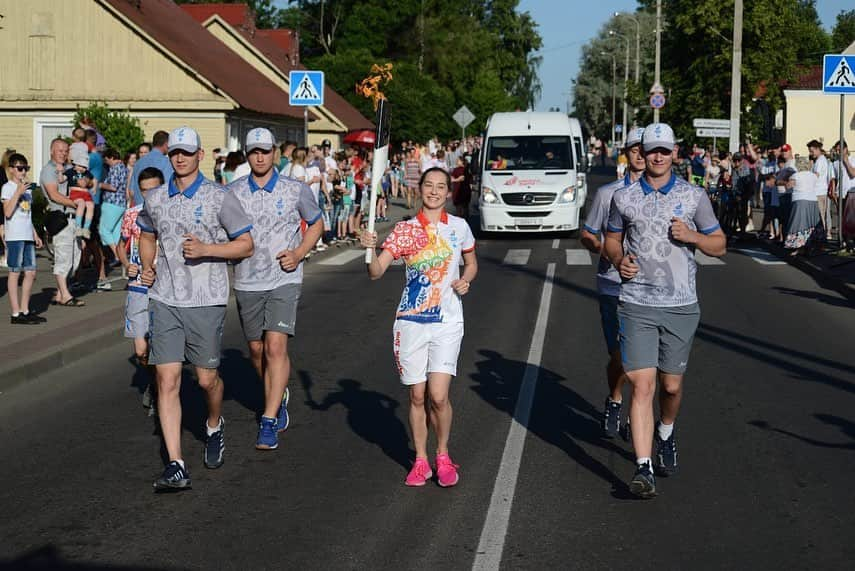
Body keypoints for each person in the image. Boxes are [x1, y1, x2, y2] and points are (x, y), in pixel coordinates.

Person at [604, 123, 726, 498]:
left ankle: (666, 432)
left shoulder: (694, 197)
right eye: (651, 149)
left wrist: (693, 237)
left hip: (680, 305)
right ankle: (643, 468)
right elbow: (610, 239)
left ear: (675, 153)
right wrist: (619, 258)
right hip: (636, 302)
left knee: (670, 386)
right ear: (642, 152)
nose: (657, 156)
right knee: (643, 384)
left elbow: (720, 244)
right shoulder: (623, 198)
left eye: (664, 150)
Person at [137, 126, 254, 492]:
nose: (181, 158)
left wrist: (207, 250)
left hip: (206, 298)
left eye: (187, 152)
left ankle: (214, 424)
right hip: (165, 299)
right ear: (169, 156)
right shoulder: (155, 198)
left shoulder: (220, 198)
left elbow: (246, 245)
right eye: (175, 153)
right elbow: (146, 232)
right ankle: (176, 464)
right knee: (166, 380)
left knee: (205, 380)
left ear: (200, 155)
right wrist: (147, 264)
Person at [360, 167, 478, 487]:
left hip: (448, 320)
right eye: (429, 185)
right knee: (417, 395)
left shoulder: (459, 227)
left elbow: (471, 263)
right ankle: (421, 460)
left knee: (438, 396)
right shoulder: (405, 230)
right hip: (411, 321)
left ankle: (442, 454)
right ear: (420, 189)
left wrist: (465, 281)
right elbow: (375, 272)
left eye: (441, 187)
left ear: (448, 192)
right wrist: (369, 248)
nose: (435, 192)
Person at [229, 128, 324, 450]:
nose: (259, 156)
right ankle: (277, 391)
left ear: (274, 154)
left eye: (265, 151)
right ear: (247, 154)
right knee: (256, 350)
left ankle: (268, 419)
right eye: (254, 151)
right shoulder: (233, 192)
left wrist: (298, 254)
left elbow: (316, 223)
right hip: (247, 279)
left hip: (284, 278)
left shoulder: (294, 189)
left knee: (275, 348)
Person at [580, 127, 645, 439]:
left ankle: (638, 413)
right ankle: (615, 398)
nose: (642, 155)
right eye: (635, 149)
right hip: (612, 283)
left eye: (647, 149)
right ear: (628, 153)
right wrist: (599, 247)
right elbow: (588, 233)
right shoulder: (609, 194)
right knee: (620, 355)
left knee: (644, 360)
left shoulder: (664, 196)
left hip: (650, 289)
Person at [121, 167, 164, 415]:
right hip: (137, 288)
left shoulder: (169, 214)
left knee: (161, 346)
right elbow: (121, 245)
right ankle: (154, 381)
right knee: (141, 350)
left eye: (154, 190)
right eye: (145, 191)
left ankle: (162, 389)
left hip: (162, 290)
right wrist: (127, 264)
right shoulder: (131, 215)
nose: (149, 196)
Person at [41, 138, 85, 307]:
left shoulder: (70, 169)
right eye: (60, 150)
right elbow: (53, 194)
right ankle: (66, 295)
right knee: (63, 259)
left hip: (76, 219)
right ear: (52, 150)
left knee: (75, 260)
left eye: (66, 151)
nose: (63, 153)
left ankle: (59, 293)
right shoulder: (48, 170)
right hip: (61, 219)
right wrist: (75, 203)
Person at [2, 153, 45, 324]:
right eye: (20, 168)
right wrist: (18, 192)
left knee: (31, 272)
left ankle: (25, 309)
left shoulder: (26, 189)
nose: (23, 172)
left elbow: (27, 214)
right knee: (14, 272)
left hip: (27, 234)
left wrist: (35, 234)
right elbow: (7, 212)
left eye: (25, 168)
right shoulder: (8, 187)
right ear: (12, 169)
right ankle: (15, 312)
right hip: (14, 235)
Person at [784, 156, 823, 256]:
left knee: (799, 224)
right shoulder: (813, 175)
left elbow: (788, 186)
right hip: (812, 201)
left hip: (800, 201)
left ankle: (799, 247)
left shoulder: (796, 175)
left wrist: (786, 179)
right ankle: (810, 246)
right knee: (811, 224)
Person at [99, 149, 129, 263]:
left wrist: (100, 184)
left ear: (111, 157)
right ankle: (122, 257)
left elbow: (113, 186)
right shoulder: (124, 168)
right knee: (116, 233)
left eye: (107, 160)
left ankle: (118, 255)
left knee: (104, 230)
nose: (107, 163)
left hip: (112, 202)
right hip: (121, 203)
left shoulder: (115, 168)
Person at [129, 131, 172, 207]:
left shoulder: (138, 162)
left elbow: (131, 191)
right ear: (166, 144)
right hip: (157, 210)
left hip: (139, 209)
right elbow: (168, 189)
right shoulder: (167, 162)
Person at [63, 147, 95, 239]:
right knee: (81, 203)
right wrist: (60, 172)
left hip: (86, 194)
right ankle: (78, 226)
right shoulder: (70, 172)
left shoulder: (87, 173)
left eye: (84, 167)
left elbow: (92, 183)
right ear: (75, 164)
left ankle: (86, 228)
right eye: (81, 166)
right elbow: (62, 180)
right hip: (75, 193)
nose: (82, 169)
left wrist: (89, 183)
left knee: (90, 205)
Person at [807, 139, 832, 239]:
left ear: (818, 149)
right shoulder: (819, 160)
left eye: (812, 151)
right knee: (822, 214)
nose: (811, 153)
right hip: (819, 191)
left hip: (820, 191)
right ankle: (824, 234)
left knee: (821, 214)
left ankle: (824, 235)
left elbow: (816, 175)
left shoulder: (820, 161)